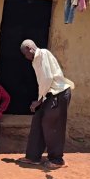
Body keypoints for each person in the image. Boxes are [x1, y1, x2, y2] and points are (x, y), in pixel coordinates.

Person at [18, 40, 74, 169]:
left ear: (29, 48)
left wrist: (39, 100)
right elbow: (44, 82)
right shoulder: (36, 59)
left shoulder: (42, 54)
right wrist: (40, 100)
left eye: (25, 54)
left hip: (58, 94)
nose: (25, 57)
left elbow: (47, 79)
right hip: (49, 95)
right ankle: (33, 156)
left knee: (53, 126)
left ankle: (57, 160)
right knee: (38, 120)